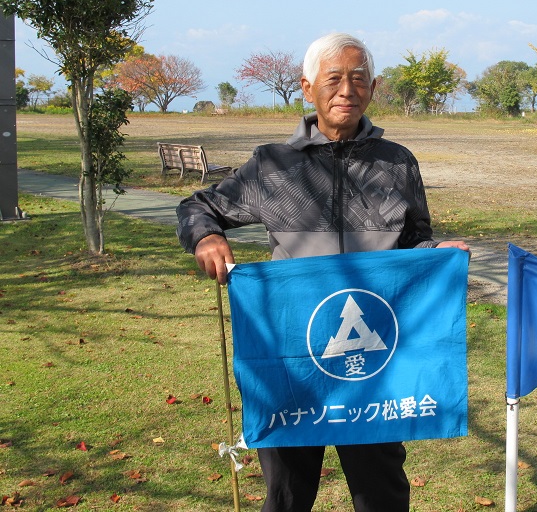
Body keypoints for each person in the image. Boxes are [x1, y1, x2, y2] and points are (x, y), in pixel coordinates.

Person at [176, 32, 468, 512]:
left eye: (359, 79)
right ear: (307, 87)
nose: (346, 91)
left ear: (373, 87)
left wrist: (437, 253)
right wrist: (206, 237)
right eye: (334, 79)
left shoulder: (396, 163)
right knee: (287, 494)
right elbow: (198, 206)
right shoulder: (272, 166)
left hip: (374, 361)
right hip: (293, 357)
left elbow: (414, 240)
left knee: (381, 492)